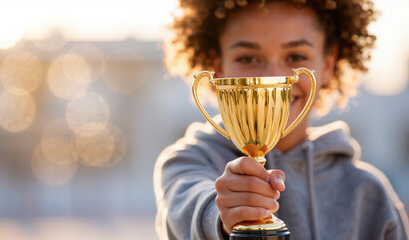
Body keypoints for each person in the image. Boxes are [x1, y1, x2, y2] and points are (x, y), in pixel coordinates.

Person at [153, 0, 409, 239]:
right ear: (218, 68)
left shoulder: (369, 192)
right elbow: (185, 205)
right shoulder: (187, 162)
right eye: (248, 58)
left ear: (328, 65)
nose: (273, 77)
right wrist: (222, 213)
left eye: (296, 57)